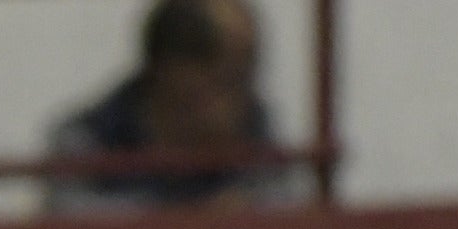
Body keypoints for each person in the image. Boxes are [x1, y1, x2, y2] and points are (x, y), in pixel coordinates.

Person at [47, 0, 295, 215]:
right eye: (230, 80)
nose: (245, 99)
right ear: (174, 71)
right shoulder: (88, 139)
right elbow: (73, 228)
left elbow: (288, 211)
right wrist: (194, 222)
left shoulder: (256, 134)